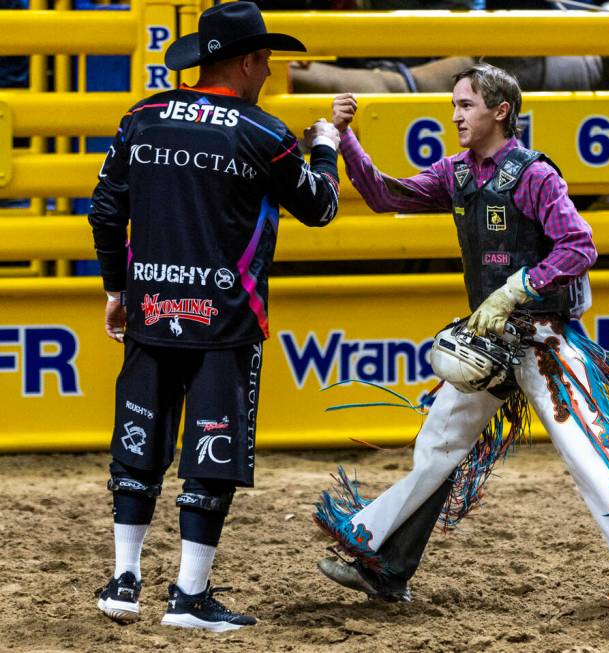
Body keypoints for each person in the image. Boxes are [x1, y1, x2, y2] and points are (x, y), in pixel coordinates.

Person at [314, 63, 609, 616]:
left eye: (466, 105)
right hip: (490, 344)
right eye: (454, 106)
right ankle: (383, 563)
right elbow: (383, 194)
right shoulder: (458, 173)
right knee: (438, 447)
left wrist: (518, 286)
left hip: (544, 340)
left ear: (500, 111)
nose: (456, 116)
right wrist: (346, 140)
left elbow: (579, 245)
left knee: (586, 455)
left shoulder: (535, 175)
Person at [89, 1, 341, 631]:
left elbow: (104, 210)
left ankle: (124, 581)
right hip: (223, 319)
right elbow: (320, 209)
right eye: (266, 61)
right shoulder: (265, 134)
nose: (269, 72)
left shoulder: (142, 116)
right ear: (251, 60)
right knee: (212, 448)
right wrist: (327, 148)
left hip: (150, 306)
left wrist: (117, 289)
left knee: (139, 442)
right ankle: (189, 596)